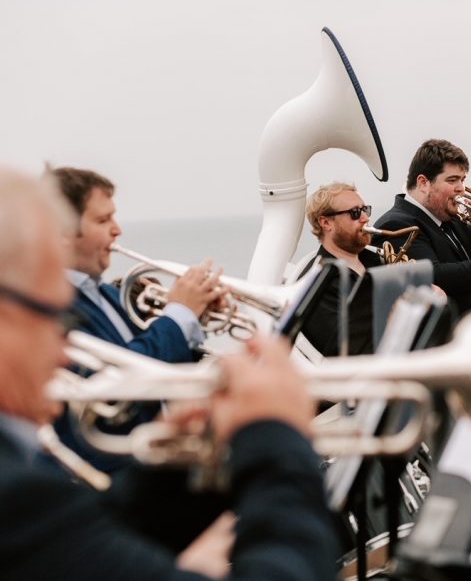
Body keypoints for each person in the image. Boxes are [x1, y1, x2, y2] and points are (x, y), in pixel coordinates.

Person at [0, 167, 337, 581]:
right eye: (54, 318)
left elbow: (89, 539)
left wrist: (179, 468)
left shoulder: (23, 489)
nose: (62, 350)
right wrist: (279, 445)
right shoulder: (18, 496)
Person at [49, 166, 226, 471]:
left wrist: (196, 316)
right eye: (103, 220)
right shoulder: (50, 306)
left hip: (152, 463)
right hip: (108, 474)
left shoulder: (107, 294)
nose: (117, 230)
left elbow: (157, 366)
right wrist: (179, 315)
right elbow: (114, 384)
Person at [374, 139, 471, 320]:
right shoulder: (396, 224)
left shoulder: (453, 216)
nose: (461, 189)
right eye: (452, 180)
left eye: (462, 179)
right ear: (423, 183)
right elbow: (436, 277)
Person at [298, 182, 382, 358]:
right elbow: (345, 348)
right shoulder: (316, 283)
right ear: (326, 222)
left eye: (365, 209)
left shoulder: (376, 259)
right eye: (355, 213)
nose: (365, 218)